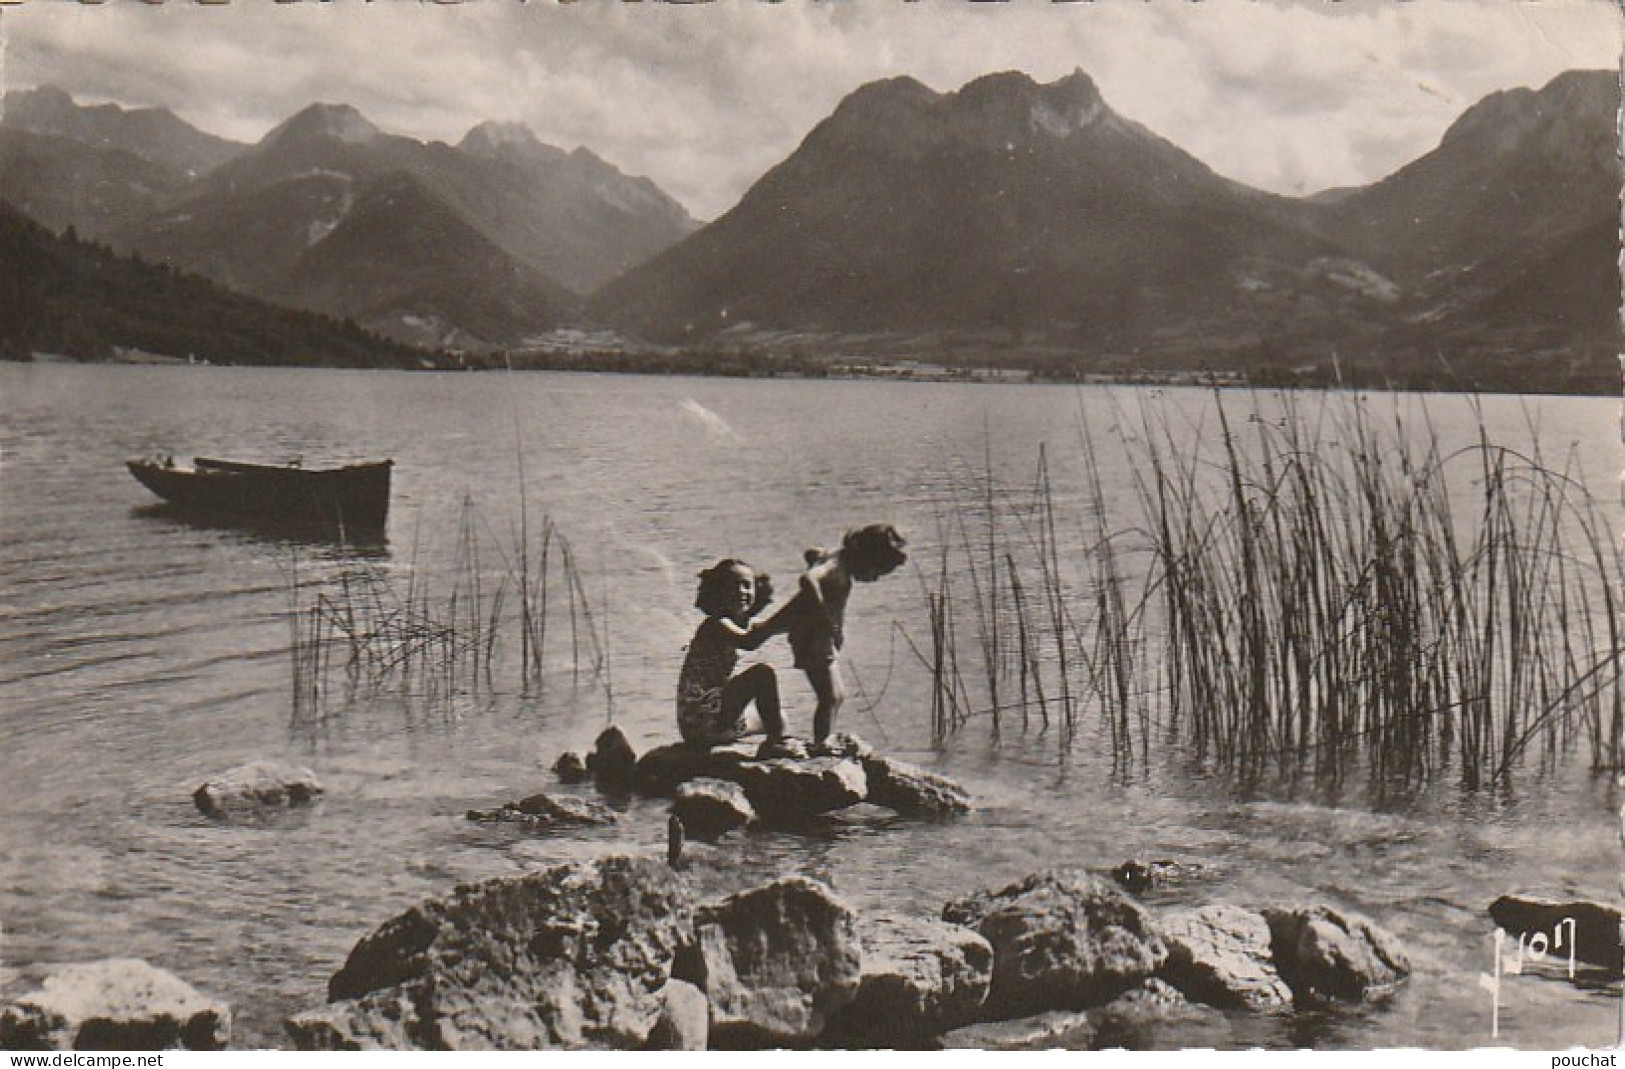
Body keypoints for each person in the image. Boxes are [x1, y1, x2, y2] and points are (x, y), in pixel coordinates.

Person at [764, 524, 907, 748]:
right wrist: (827, 621)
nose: (875, 579)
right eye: (875, 572)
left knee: (837, 694)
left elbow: (812, 555)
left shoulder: (839, 564)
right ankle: (822, 743)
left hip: (819, 637)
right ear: (865, 557)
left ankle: (825, 739)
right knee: (830, 695)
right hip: (812, 637)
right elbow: (808, 579)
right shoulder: (836, 566)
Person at [676, 559, 802, 758]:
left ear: (757, 590)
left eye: (747, 585)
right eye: (733, 586)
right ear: (718, 592)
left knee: (780, 718)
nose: (741, 592)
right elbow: (749, 641)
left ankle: (773, 736)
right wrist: (791, 610)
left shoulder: (742, 622)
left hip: (709, 720)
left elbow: (771, 627)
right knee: (762, 673)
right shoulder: (716, 624)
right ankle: (775, 744)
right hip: (701, 717)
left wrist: (806, 622)